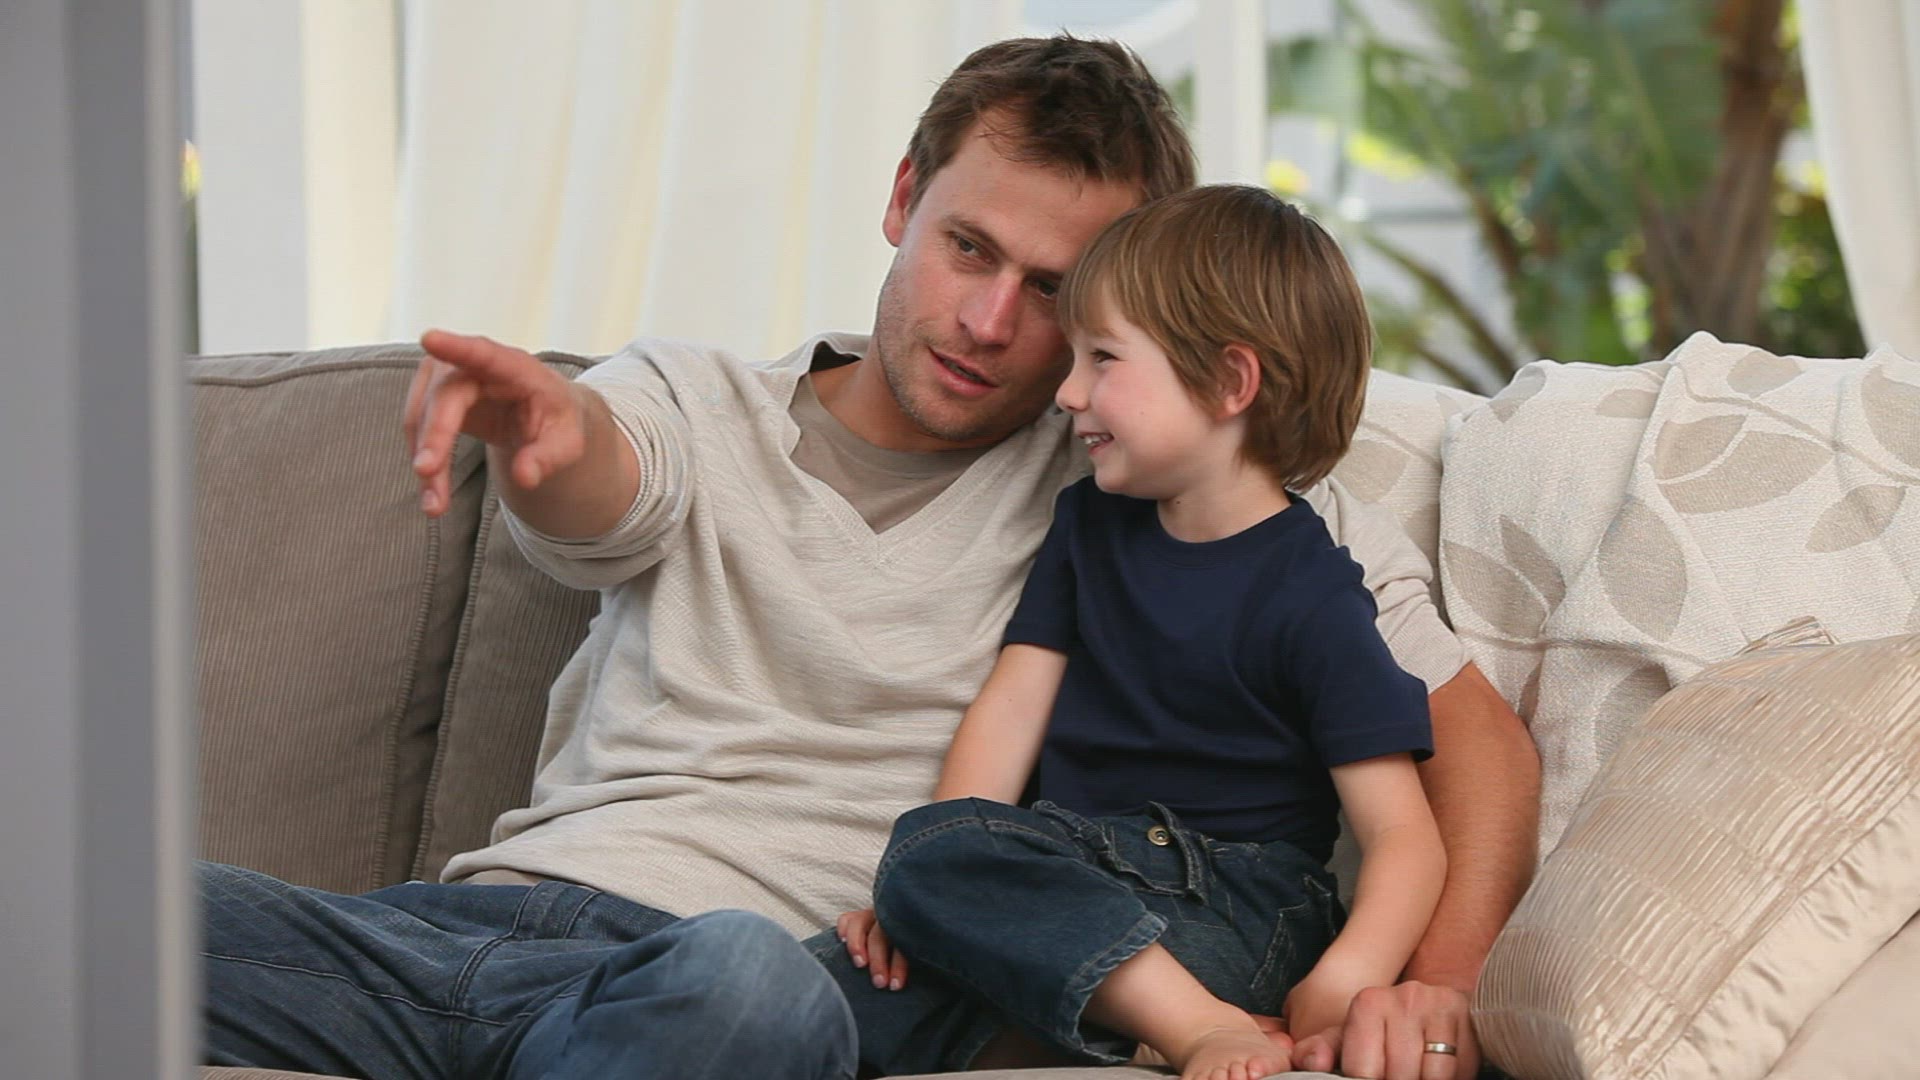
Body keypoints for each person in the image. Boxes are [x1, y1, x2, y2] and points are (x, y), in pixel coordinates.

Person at [200, 34, 1538, 1080]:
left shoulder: (1156, 487)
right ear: (903, 199)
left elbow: (1475, 743)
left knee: (743, 990)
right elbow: (606, 488)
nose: (989, 320)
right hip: (475, 934)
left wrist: (1439, 983)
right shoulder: (693, 398)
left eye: (1054, 292)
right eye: (968, 247)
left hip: (747, 984)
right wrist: (550, 438)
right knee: (134, 907)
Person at [832, 185, 1446, 1080]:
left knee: (935, 872)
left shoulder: (1313, 595)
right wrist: (941, 878)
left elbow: (1403, 837)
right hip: (1066, 880)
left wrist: (1347, 976)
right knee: (858, 950)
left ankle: (1194, 1025)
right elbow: (1010, 710)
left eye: (1103, 359)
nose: (1068, 391)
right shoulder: (1088, 526)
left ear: (1230, 383)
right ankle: (1114, 1025)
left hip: (1233, 913)